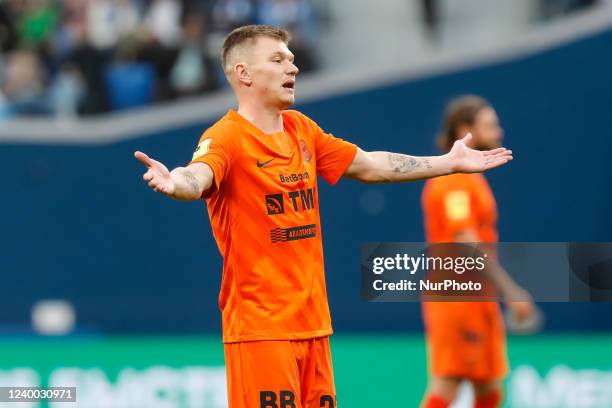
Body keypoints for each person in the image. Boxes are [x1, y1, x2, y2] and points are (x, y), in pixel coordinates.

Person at [134, 26, 513, 408]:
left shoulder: (302, 131)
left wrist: (448, 162)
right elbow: (197, 174)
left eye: (293, 59)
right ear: (244, 73)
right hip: (263, 331)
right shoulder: (226, 138)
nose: (292, 68)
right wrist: (176, 181)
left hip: (314, 326)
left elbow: (370, 164)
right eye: (278, 60)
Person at [420, 95, 534, 408]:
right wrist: (511, 291)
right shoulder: (454, 179)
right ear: (464, 130)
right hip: (457, 296)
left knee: (489, 388)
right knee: (447, 384)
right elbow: (466, 243)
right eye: (490, 125)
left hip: (477, 296)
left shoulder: (471, 178)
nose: (498, 132)